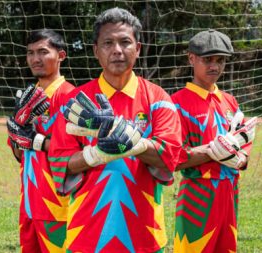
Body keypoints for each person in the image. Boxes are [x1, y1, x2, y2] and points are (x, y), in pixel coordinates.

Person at [48, 7, 182, 253]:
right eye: (108, 43)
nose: (117, 50)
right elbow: (59, 160)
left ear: (138, 49)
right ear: (95, 51)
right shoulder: (75, 101)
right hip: (86, 235)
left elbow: (171, 154)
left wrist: (136, 144)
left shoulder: (158, 97)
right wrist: (95, 155)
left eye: (125, 42)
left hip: (145, 236)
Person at [171, 29, 256, 252]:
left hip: (230, 192)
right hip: (198, 195)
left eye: (220, 60)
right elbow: (173, 158)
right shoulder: (177, 103)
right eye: (207, 59)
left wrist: (241, 158)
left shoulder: (230, 101)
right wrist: (211, 150)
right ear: (191, 58)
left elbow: (244, 142)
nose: (214, 66)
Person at [6, 28, 75, 253]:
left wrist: (35, 139)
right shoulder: (27, 96)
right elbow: (19, 154)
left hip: (58, 208)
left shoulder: (70, 96)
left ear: (61, 56)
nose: (35, 59)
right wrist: (17, 133)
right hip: (28, 205)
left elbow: (74, 153)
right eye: (30, 53)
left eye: (43, 52)